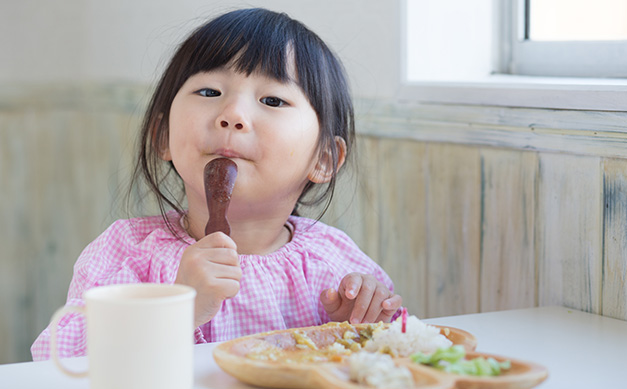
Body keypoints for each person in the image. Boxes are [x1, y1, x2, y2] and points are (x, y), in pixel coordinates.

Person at [31, 7, 402, 360]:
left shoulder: (334, 264)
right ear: (163, 136)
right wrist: (177, 311)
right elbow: (58, 362)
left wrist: (353, 329)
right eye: (209, 92)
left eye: (272, 99)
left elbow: (403, 354)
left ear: (322, 159)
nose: (233, 115)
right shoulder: (126, 255)